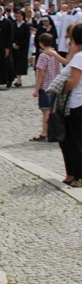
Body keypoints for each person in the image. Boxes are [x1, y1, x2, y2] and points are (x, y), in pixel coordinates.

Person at [57, 24, 82, 187]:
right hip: (76, 103)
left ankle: (78, 176)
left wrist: (60, 86)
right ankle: (71, 173)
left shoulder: (80, 57)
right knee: (69, 141)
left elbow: (73, 82)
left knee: (75, 142)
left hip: (76, 104)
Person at [31, 33, 61, 142]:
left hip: (46, 86)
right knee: (52, 110)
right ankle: (52, 131)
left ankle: (45, 132)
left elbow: (41, 73)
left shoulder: (43, 56)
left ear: (41, 43)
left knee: (45, 111)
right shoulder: (55, 54)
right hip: (55, 86)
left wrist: (36, 89)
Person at [12, 9, 31, 87]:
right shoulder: (13, 25)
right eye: (16, 16)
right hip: (14, 46)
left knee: (20, 63)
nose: (18, 18)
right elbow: (11, 36)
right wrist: (13, 44)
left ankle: (19, 79)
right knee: (15, 62)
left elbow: (27, 38)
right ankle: (16, 77)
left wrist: (19, 45)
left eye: (19, 16)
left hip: (22, 47)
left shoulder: (26, 25)